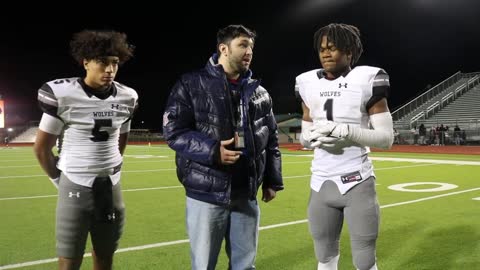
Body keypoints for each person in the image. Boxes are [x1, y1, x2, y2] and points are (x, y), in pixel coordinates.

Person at [163, 24, 283, 270]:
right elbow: (174, 131)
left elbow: (271, 138)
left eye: (251, 46)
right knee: (204, 264)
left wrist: (272, 179)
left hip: (245, 193)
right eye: (242, 45)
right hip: (207, 193)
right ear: (223, 49)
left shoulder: (260, 93)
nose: (249, 51)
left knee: (245, 265)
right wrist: (211, 150)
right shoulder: (190, 84)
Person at [33, 29, 138, 270]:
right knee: (70, 259)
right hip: (75, 182)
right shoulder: (64, 95)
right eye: (103, 62)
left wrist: (111, 166)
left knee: (105, 254)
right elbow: (41, 148)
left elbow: (121, 140)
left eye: (115, 63)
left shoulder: (127, 97)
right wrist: (60, 179)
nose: (110, 70)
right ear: (86, 62)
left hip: (111, 184)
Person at [295, 23, 394, 270]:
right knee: (324, 255)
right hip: (320, 181)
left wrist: (347, 132)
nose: (326, 53)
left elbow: (386, 138)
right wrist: (311, 138)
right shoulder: (308, 83)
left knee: (364, 259)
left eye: (333, 48)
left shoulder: (367, 80)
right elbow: (305, 135)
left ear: (349, 52)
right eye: (322, 49)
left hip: (357, 181)